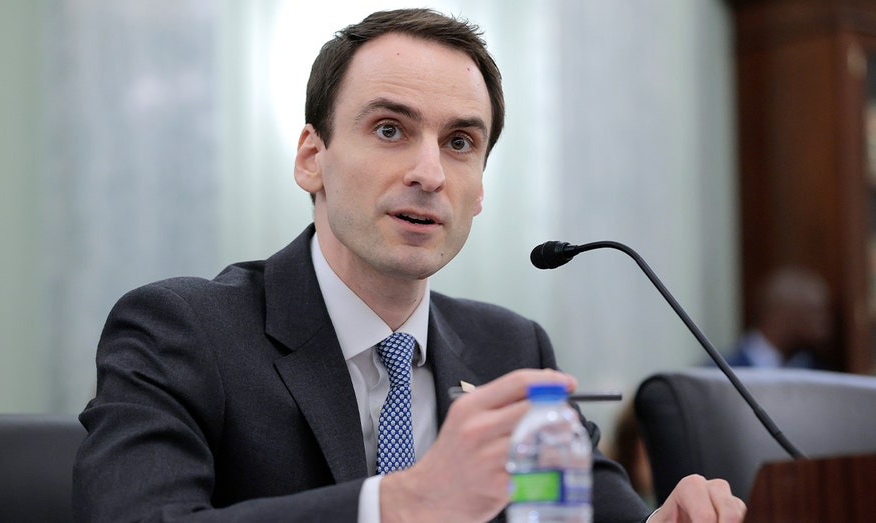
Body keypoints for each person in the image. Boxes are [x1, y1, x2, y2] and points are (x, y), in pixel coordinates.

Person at [73, 8, 746, 522]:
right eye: (390, 129)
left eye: (460, 142)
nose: (429, 173)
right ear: (311, 158)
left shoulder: (511, 348)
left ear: (479, 190)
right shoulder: (183, 329)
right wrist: (400, 503)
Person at [725, 266, 833, 369]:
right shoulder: (725, 372)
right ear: (785, 315)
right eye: (817, 311)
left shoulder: (812, 369)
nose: (826, 322)